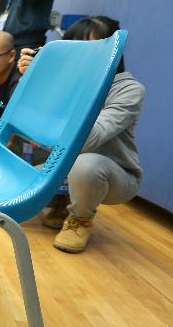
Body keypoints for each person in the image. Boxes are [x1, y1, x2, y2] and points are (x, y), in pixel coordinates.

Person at [18, 16, 144, 254]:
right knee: (14, 185)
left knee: (84, 165)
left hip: (113, 175)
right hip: (60, 164)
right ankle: (59, 201)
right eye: (78, 51)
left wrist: (63, 85)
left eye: (93, 50)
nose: (85, 59)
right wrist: (35, 80)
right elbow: (28, 125)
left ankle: (80, 219)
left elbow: (87, 140)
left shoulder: (128, 89)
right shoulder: (65, 82)